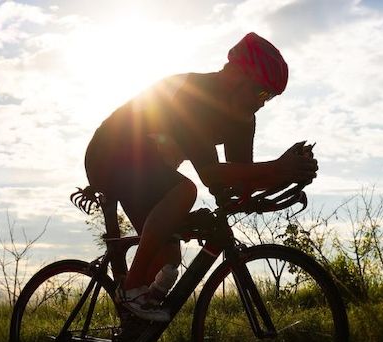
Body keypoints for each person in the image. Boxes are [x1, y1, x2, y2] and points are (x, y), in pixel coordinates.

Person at [84, 32, 318, 322]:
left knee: (167, 264)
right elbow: (211, 175)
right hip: (109, 154)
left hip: (147, 163)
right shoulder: (194, 95)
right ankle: (130, 288)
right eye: (260, 92)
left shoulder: (244, 119)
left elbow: (240, 179)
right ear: (233, 76)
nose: (262, 103)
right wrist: (277, 168)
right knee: (185, 190)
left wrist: (289, 175)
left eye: (269, 97)